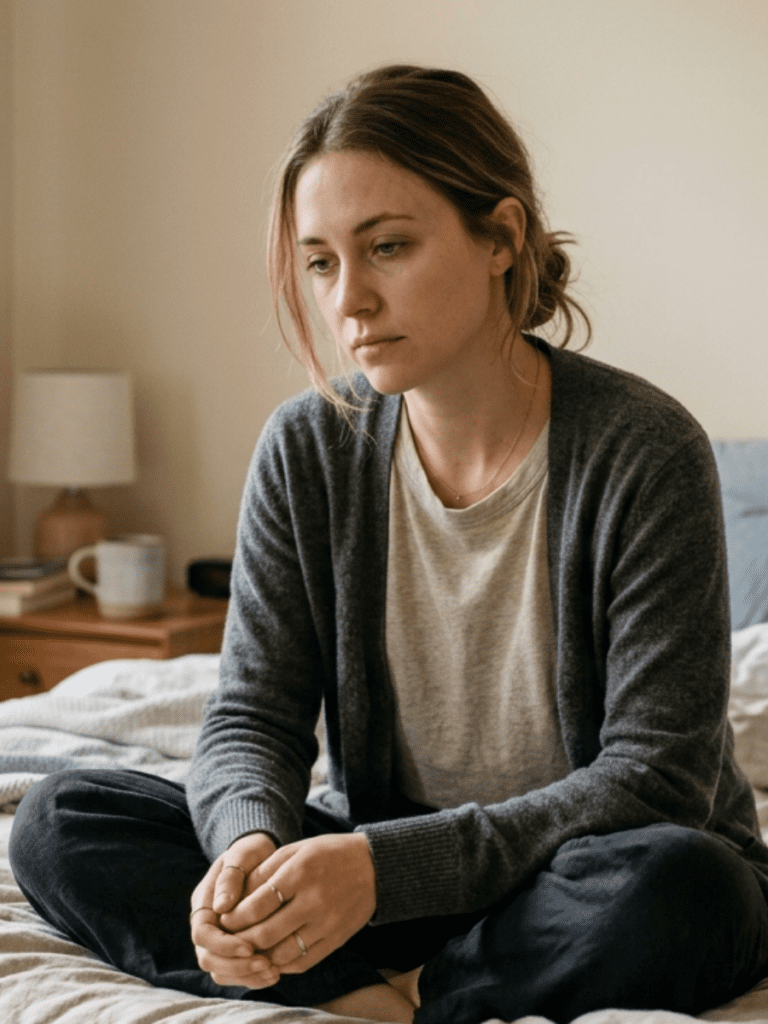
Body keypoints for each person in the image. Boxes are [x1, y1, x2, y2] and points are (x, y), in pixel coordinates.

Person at [10, 64, 768, 1024]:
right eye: (321, 262)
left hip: (581, 875)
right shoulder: (309, 445)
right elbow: (251, 716)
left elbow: (653, 781)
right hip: (380, 873)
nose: (349, 301)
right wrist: (249, 845)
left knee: (692, 886)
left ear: (502, 237)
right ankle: (384, 992)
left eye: (390, 247)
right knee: (59, 818)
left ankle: (403, 1000)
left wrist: (379, 870)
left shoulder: (644, 449)